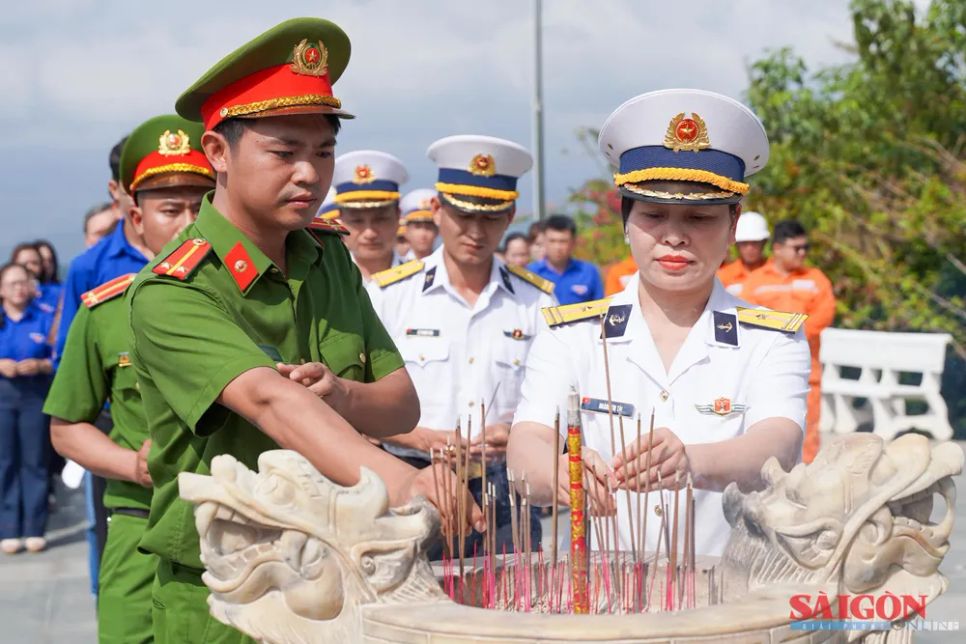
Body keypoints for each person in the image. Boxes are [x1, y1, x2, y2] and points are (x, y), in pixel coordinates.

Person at [128, 19, 480, 642]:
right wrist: (405, 480)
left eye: (322, 153)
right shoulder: (172, 289)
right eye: (284, 152)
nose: (310, 174)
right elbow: (272, 401)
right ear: (217, 153)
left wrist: (342, 395)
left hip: (348, 580)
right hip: (227, 592)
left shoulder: (328, 257)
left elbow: (400, 404)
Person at [508, 89, 811, 557]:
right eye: (653, 214)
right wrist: (558, 472)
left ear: (733, 225)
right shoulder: (572, 334)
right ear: (625, 222)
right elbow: (527, 443)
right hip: (602, 582)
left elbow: (779, 444)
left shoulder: (770, 338)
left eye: (699, 217)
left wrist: (692, 461)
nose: (674, 236)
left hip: (729, 585)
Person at [44, 114, 215, 643]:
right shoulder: (105, 311)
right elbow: (66, 425)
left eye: (202, 206)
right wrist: (131, 465)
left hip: (246, 528)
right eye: (171, 209)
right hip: (143, 521)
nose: (189, 223)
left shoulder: (261, 301)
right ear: (136, 217)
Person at [368, 134, 554, 554]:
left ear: (510, 217)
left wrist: (518, 432)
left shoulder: (537, 302)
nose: (474, 231)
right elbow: (355, 403)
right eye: (463, 215)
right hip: (410, 479)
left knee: (512, 593)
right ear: (437, 210)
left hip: (504, 488)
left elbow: (559, 400)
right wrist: (420, 438)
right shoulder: (390, 296)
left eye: (490, 218)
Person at [741, 219, 836, 464]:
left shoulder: (815, 279)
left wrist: (791, 331)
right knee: (763, 427)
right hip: (764, 370)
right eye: (797, 248)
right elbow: (746, 316)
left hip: (807, 372)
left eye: (806, 247)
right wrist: (782, 334)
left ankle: (805, 480)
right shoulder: (756, 281)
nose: (802, 253)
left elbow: (824, 314)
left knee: (807, 429)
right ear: (778, 248)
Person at [0, 262, 54, 554]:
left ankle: (35, 526)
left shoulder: (43, 317)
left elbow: (57, 356)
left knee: (35, 460)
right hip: (3, 396)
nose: (18, 289)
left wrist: (40, 364)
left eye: (23, 282)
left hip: (35, 395)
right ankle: (8, 527)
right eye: (12, 283)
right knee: (5, 461)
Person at [333, 150, 409, 281]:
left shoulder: (421, 282)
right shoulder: (326, 281)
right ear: (341, 221)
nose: (369, 234)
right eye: (357, 221)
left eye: (380, 220)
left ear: (398, 216)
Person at [526, 214, 604, 305]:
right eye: (552, 241)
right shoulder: (531, 273)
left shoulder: (588, 272)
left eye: (563, 241)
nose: (557, 247)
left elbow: (601, 308)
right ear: (544, 242)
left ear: (573, 242)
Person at [717, 210, 769, 296]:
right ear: (736, 244)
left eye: (755, 243)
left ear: (764, 242)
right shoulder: (723, 276)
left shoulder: (778, 272)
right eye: (744, 243)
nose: (750, 248)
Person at [9, 244, 53, 313]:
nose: (29, 267)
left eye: (34, 263)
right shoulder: (6, 295)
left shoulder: (54, 293)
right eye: (24, 264)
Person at [400, 188, 439, 260]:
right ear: (406, 231)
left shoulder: (445, 265)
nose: (423, 234)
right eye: (417, 227)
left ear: (437, 231)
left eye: (428, 228)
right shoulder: (395, 265)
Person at [33, 240, 62, 310]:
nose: (46, 265)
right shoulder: (22, 292)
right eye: (42, 260)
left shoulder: (62, 290)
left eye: (50, 261)